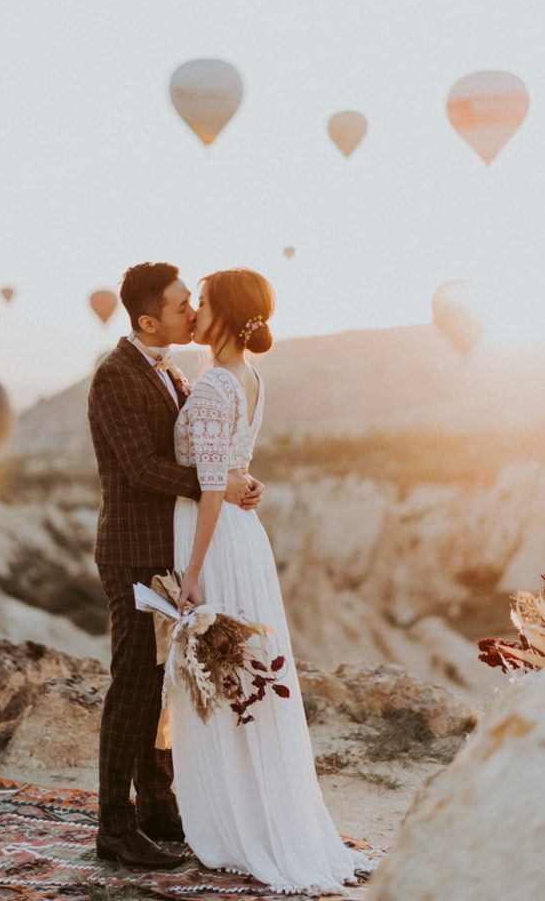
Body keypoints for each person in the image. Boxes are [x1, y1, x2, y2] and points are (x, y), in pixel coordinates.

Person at [168, 267, 372, 893]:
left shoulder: (210, 389)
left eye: (201, 304)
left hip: (214, 541)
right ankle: (259, 815)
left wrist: (191, 574)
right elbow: (231, 469)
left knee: (219, 673)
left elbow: (207, 486)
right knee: (244, 674)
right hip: (243, 538)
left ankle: (235, 828)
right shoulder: (250, 379)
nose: (194, 313)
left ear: (225, 315)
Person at [87, 262, 264, 869]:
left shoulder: (174, 371)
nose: (192, 311)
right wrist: (218, 484)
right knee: (134, 683)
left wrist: (229, 479)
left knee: (163, 686)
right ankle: (114, 822)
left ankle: (157, 806)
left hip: (167, 551)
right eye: (181, 303)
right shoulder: (115, 376)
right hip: (133, 553)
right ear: (147, 319)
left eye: (195, 301)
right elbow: (141, 468)